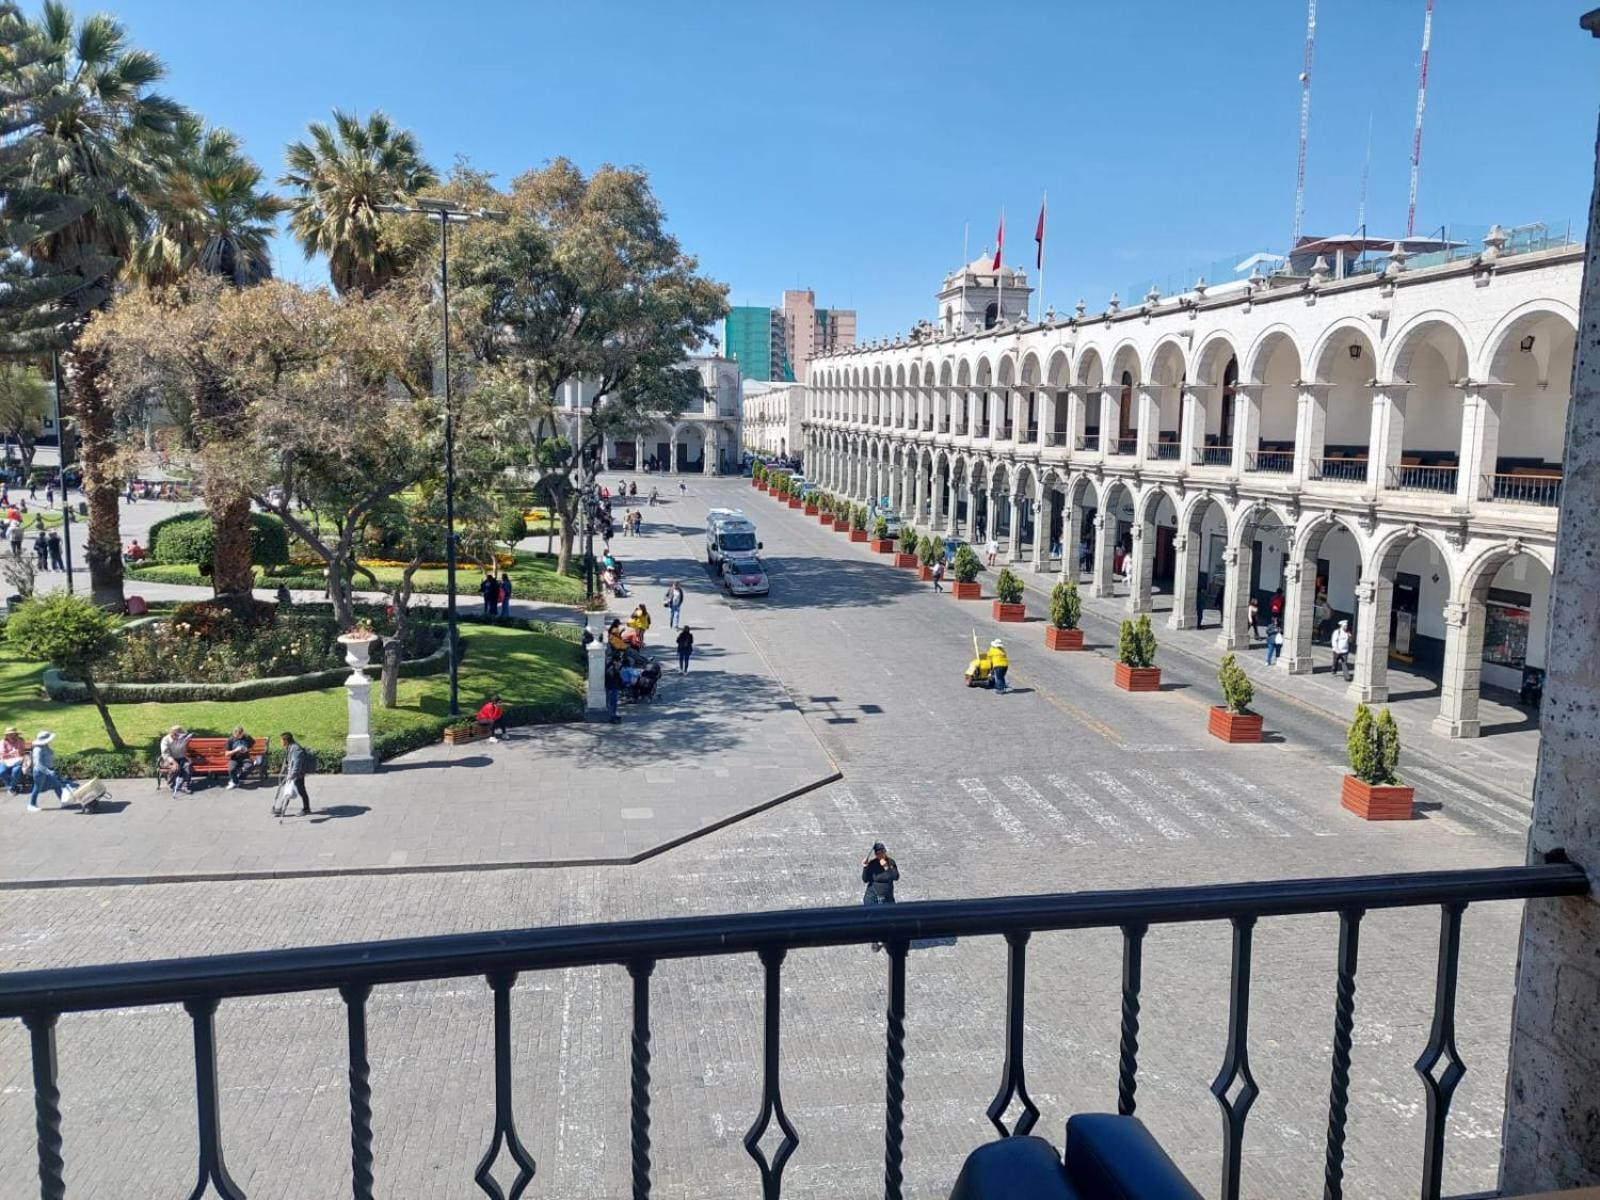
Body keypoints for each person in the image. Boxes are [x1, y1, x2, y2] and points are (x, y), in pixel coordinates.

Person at [861, 841, 899, 951]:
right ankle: (874, 941)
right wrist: (865, 867)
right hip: (873, 896)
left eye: (882, 852)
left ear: (885, 852)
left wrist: (886, 866)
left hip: (887, 896)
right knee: (874, 920)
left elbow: (895, 876)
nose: (880, 855)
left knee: (889, 919)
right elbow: (865, 879)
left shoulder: (891, 862)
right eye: (878, 853)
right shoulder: (872, 864)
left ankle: (886, 939)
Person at [277, 732, 312, 816]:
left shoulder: (296, 749)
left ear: (285, 740)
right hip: (293, 773)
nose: (280, 742)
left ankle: (306, 809)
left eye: (281, 740)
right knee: (288, 791)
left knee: (301, 791)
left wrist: (292, 775)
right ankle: (282, 808)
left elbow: (297, 763)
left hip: (297, 774)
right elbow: (288, 760)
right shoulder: (290, 746)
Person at [28, 730, 62, 812]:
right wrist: (49, 772)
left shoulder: (45, 746)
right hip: (40, 772)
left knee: (57, 785)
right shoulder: (38, 749)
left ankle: (63, 801)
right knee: (37, 788)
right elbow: (38, 764)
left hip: (47, 770)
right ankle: (31, 804)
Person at [159, 725, 194, 794]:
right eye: (179, 735)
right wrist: (174, 762)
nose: (181, 737)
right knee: (174, 767)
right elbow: (165, 754)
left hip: (181, 758)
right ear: (173, 734)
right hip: (168, 760)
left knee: (188, 766)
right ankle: (171, 784)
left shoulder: (182, 738)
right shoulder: (166, 740)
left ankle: (185, 785)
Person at [0, 727, 26, 793]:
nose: (11, 736)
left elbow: (22, 753)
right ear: (6, 735)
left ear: (16, 734)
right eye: (9, 734)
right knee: (1, 772)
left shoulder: (20, 741)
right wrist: (12, 754)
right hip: (5, 762)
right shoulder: (3, 742)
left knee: (16, 771)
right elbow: (2, 755)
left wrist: (18, 751)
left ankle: (11, 787)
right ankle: (13, 786)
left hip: (17, 761)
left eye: (13, 734)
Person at [603, 656, 622, 723]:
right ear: (615, 662)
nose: (620, 663)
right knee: (612, 703)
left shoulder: (612, 667)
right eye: (619, 662)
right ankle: (611, 717)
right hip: (612, 688)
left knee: (613, 703)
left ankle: (613, 715)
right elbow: (612, 678)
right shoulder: (612, 669)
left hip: (613, 687)